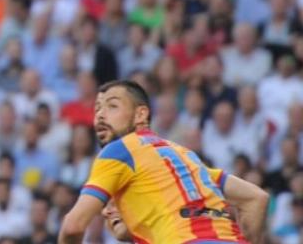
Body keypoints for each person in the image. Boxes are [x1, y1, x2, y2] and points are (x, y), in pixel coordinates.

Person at [58, 80, 270, 243]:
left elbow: (73, 227)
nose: (100, 116)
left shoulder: (119, 150)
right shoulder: (186, 157)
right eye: (96, 109)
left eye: (112, 106)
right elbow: (256, 198)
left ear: (141, 114)